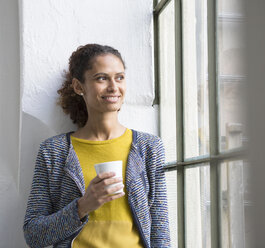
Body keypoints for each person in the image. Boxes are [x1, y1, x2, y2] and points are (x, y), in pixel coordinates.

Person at [23, 44, 170, 248]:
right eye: (102, 78)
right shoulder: (54, 151)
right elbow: (34, 235)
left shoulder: (149, 147)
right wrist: (82, 206)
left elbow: (160, 233)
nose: (113, 87)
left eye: (119, 77)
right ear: (78, 86)